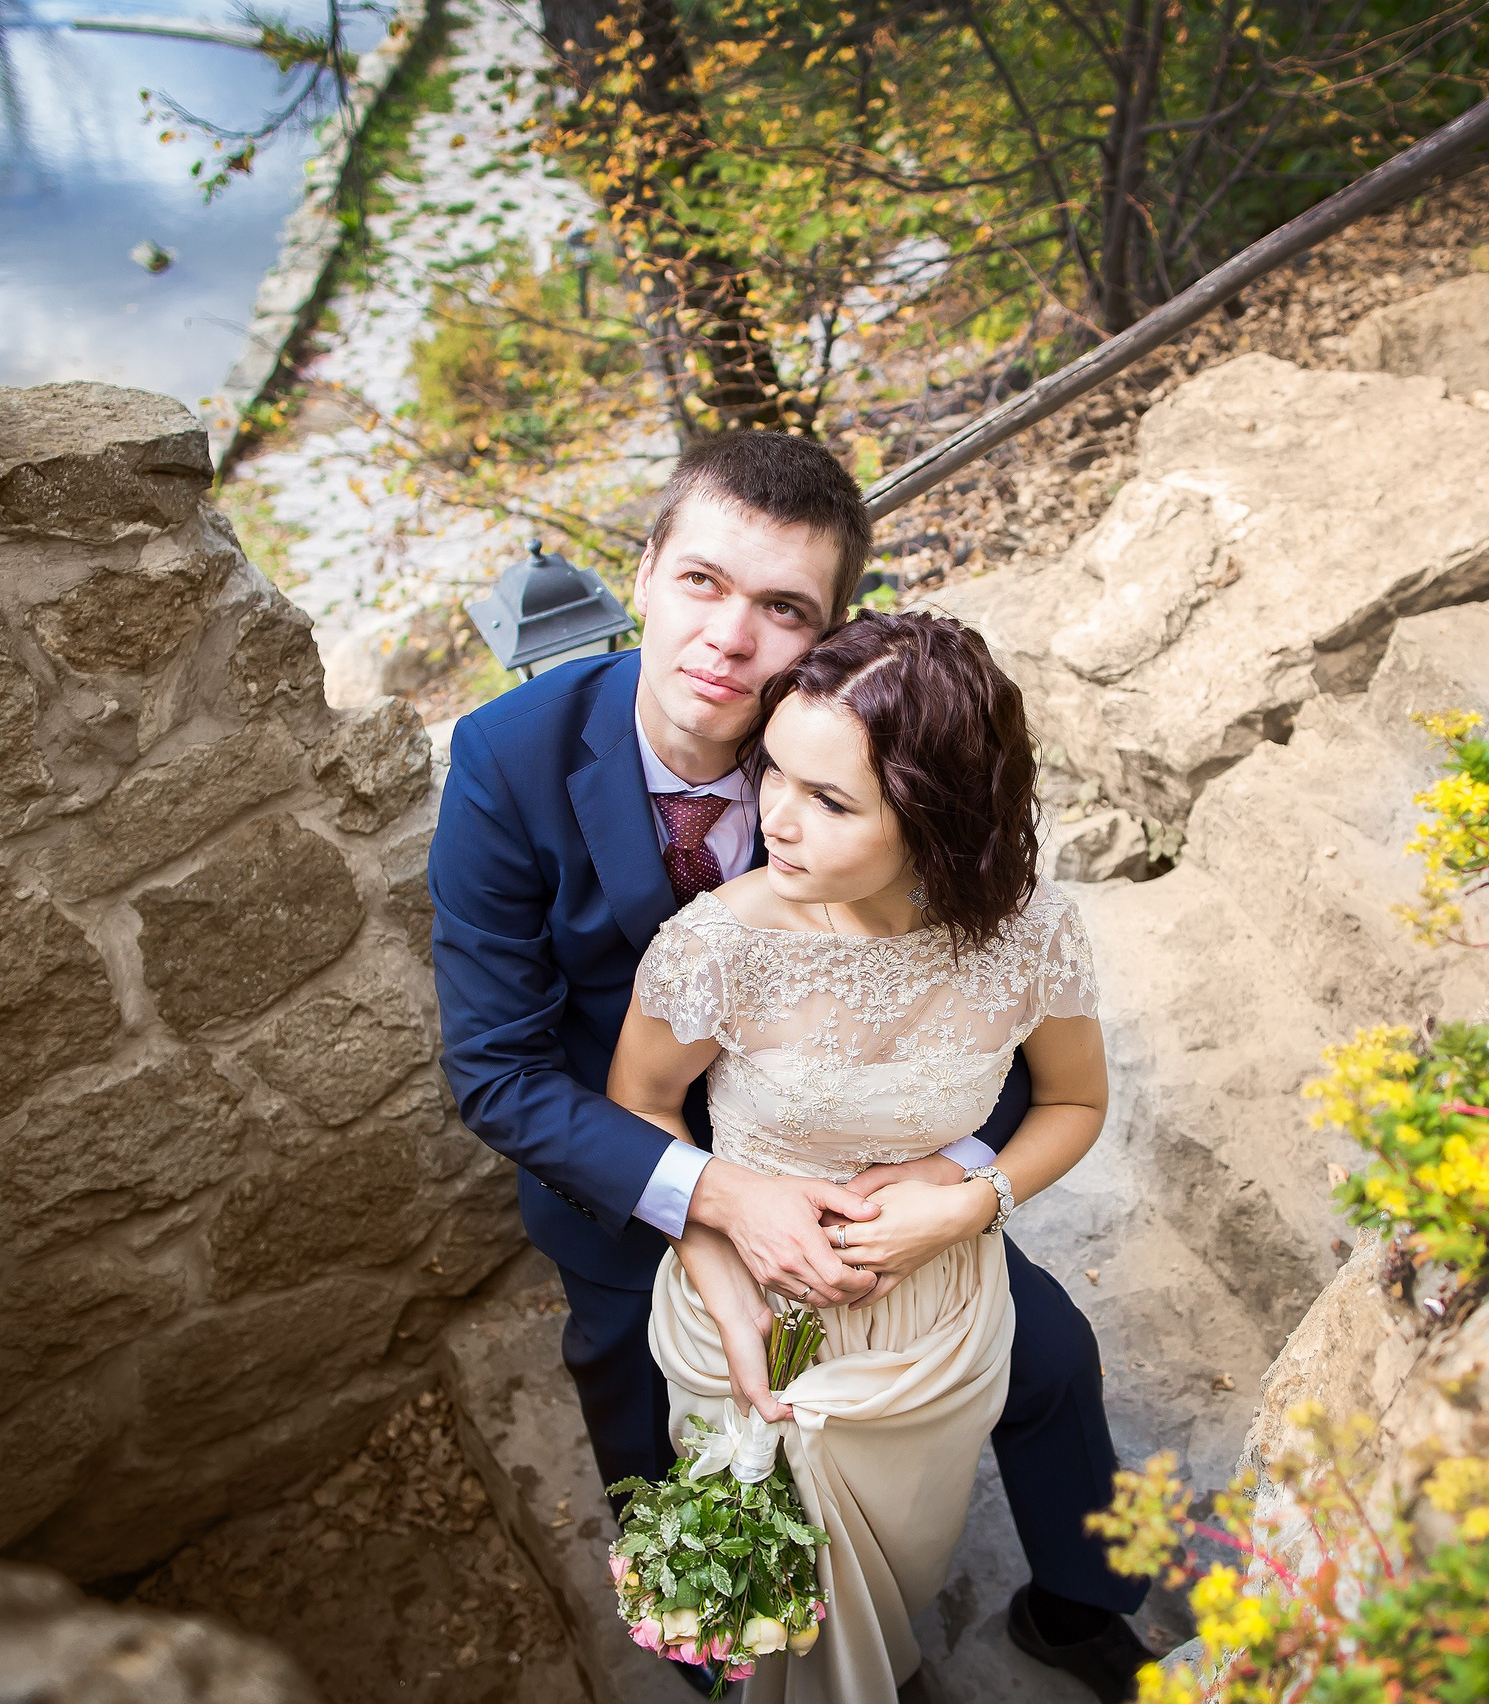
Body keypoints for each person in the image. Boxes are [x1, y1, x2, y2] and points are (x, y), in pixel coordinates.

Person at [429, 432, 1151, 1700]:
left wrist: (956, 1171)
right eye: (702, 581)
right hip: (631, 1173)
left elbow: (1007, 1009)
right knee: (651, 1415)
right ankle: (729, 1644)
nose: (728, 638)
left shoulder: (868, 751)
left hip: (856, 1159)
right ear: (643, 573)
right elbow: (495, 1071)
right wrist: (707, 1201)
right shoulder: (507, 761)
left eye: (781, 609)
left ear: (828, 631)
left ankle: (1083, 1605)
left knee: (1049, 1360)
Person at [614, 609, 1114, 1700]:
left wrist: (970, 1204)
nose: (775, 822)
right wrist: (722, 1278)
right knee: (778, 1600)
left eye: (830, 800)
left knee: (901, 1559)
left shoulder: (1029, 933)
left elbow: (1074, 1100)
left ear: (938, 819)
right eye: (775, 775)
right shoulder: (718, 948)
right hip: (749, 1309)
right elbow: (639, 1110)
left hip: (939, 1311)